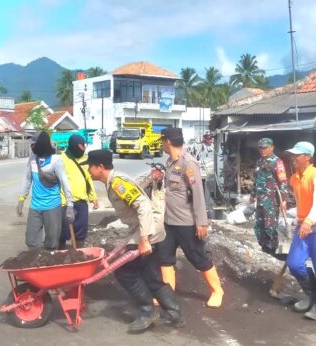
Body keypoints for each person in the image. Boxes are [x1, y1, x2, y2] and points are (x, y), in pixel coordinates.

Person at [84, 149, 183, 333]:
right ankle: (175, 314)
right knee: (151, 274)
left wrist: (144, 239)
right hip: (144, 228)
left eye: (90, 166)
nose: (88, 170)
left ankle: (148, 311)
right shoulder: (114, 180)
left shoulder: (117, 183)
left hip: (147, 229)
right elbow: (137, 189)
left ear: (100, 167)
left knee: (124, 271)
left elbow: (143, 205)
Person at [158, 127, 224, 308]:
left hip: (186, 222)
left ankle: (217, 290)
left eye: (162, 141)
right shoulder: (169, 162)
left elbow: (198, 194)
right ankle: (167, 293)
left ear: (168, 142)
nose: (162, 144)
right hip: (168, 222)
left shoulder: (189, 163)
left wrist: (201, 222)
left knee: (197, 256)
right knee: (164, 257)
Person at [284, 141, 316, 321]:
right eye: (293, 155)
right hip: (303, 226)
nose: (293, 158)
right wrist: (299, 218)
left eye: (297, 155)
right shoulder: (295, 178)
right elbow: (300, 202)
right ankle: (310, 294)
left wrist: (309, 220)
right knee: (295, 263)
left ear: (307, 157)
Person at [16, 131, 74, 250]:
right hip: (35, 206)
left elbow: (64, 182)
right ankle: (36, 262)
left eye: (33, 144)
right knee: (31, 240)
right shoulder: (32, 159)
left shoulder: (55, 160)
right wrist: (21, 199)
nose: (31, 147)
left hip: (52, 206)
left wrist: (70, 206)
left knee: (52, 241)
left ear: (41, 144)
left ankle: (49, 263)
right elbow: (27, 179)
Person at [58, 135, 99, 249]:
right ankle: (60, 254)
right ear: (73, 146)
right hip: (65, 201)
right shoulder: (61, 159)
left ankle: (79, 253)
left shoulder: (85, 159)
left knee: (81, 231)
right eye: (81, 146)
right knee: (62, 230)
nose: (83, 148)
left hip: (81, 201)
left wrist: (93, 197)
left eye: (84, 145)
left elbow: (88, 179)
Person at [251, 138, 290, 255]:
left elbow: (283, 182)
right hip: (260, 200)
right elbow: (256, 180)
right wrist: (253, 194)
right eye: (260, 148)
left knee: (270, 226)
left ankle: (271, 249)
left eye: (265, 147)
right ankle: (264, 246)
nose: (262, 150)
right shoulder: (259, 162)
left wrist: (283, 200)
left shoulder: (277, 162)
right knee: (259, 225)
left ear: (271, 147)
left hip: (272, 200)